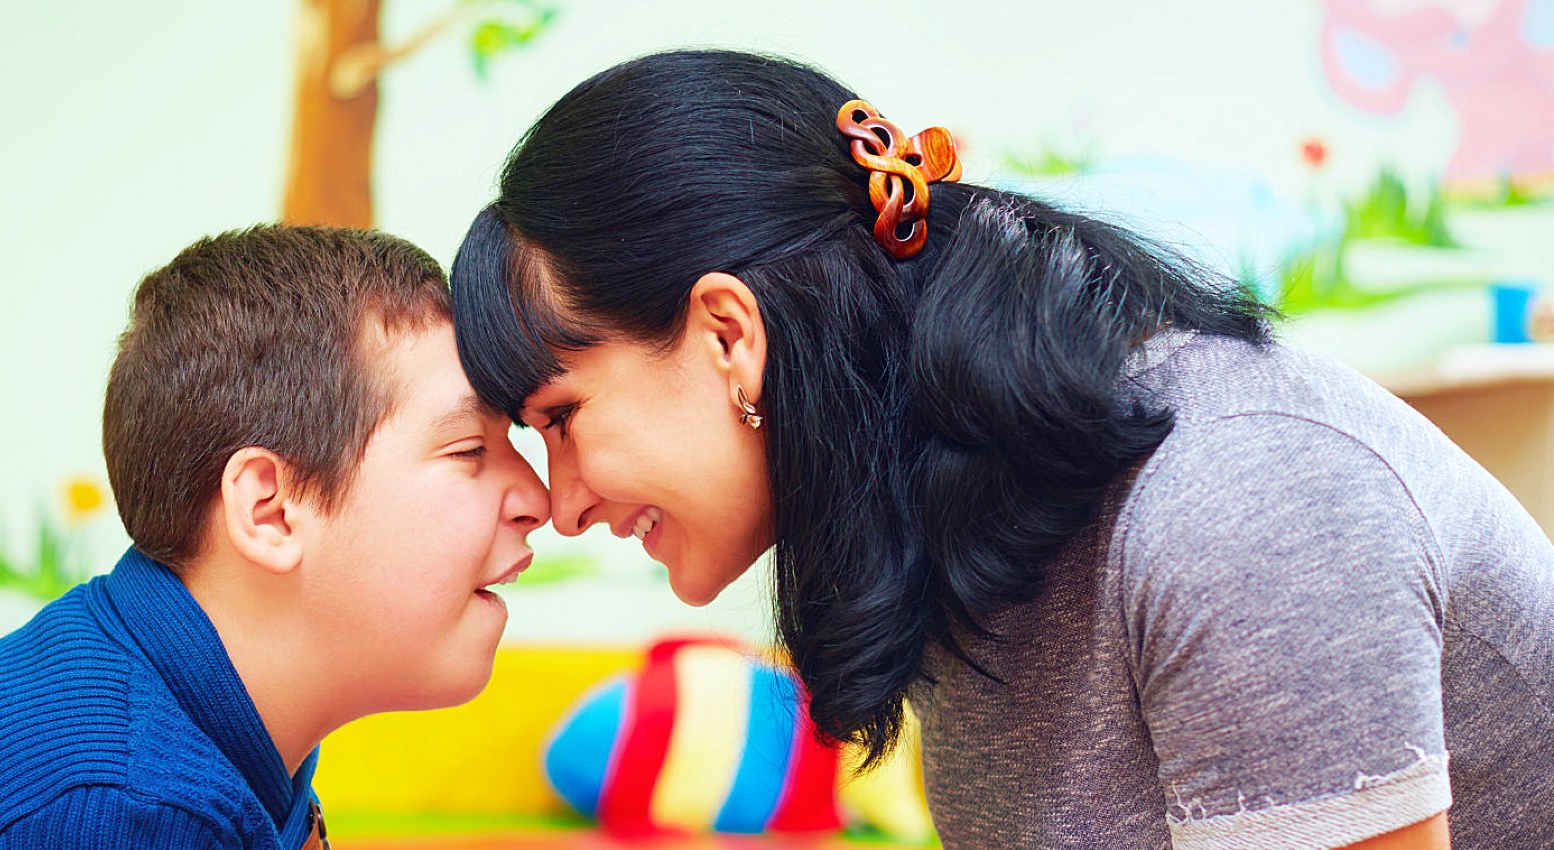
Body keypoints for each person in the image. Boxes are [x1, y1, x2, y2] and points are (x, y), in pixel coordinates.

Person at [449, 49, 1553, 849]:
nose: (562, 504)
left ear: (729, 334)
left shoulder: (1235, 500)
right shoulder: (952, 510)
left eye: (560, 418)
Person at [0, 224, 549, 849]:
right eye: (468, 452)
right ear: (271, 510)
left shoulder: (203, 706)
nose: (537, 499)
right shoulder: (131, 802)